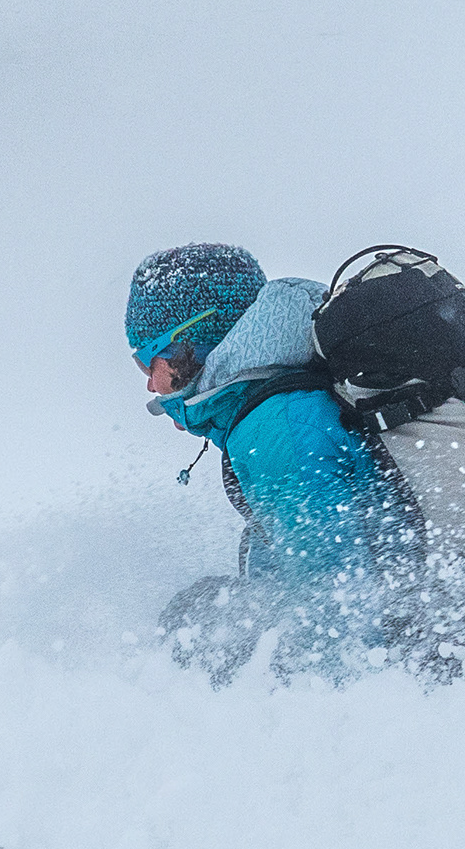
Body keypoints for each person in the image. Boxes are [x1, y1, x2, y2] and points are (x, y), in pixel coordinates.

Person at [124, 242, 408, 675]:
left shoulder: (278, 431)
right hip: (403, 653)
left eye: (148, 361)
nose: (151, 386)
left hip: (413, 680)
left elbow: (341, 639)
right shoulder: (281, 409)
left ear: (190, 344)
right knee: (200, 611)